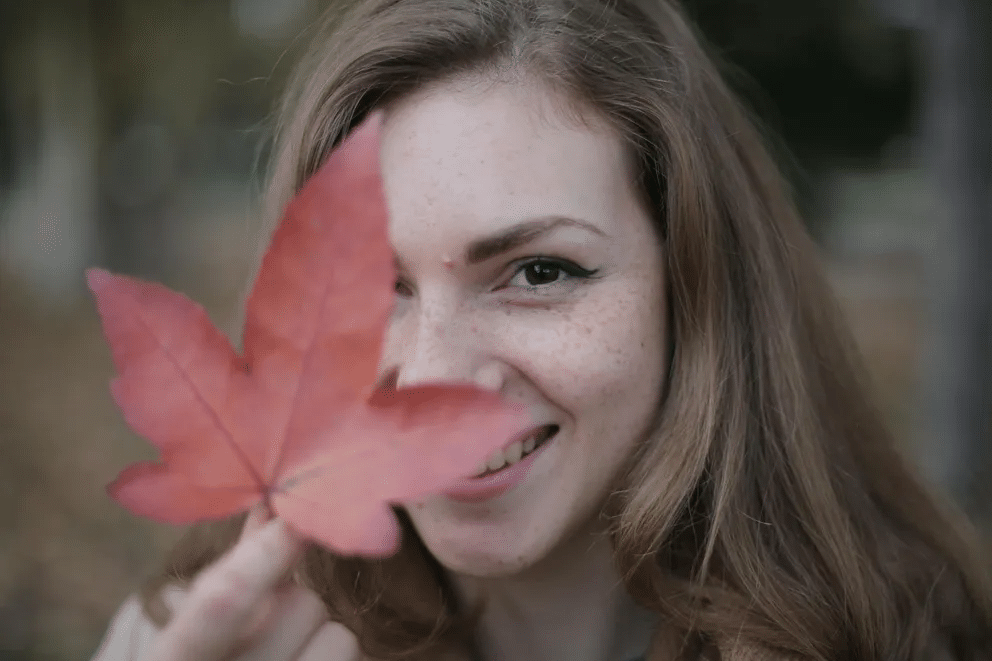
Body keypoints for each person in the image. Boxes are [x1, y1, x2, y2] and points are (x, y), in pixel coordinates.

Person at [92, 0, 992, 659]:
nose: (432, 375)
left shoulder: (911, 637)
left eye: (539, 272)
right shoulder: (194, 641)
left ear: (695, 286)